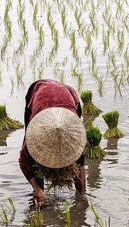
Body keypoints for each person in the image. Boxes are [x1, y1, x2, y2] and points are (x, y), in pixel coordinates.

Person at [19, 79, 87, 208]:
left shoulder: (76, 135)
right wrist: (37, 188)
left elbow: (80, 162)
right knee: (33, 157)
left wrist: (82, 197)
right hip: (40, 93)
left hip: (68, 94)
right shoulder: (35, 134)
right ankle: (40, 194)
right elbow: (24, 161)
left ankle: (80, 192)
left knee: (76, 155)